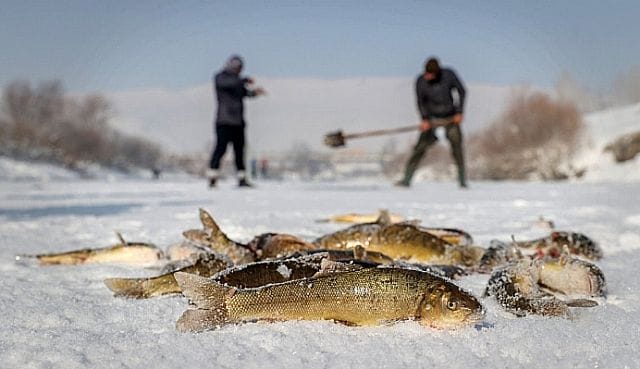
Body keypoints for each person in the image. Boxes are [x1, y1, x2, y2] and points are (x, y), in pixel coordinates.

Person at [396, 57, 468, 188]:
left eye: (431, 74)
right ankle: (406, 179)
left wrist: (459, 112)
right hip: (431, 118)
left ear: (437, 73)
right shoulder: (420, 81)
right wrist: (424, 119)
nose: (427, 76)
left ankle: (463, 181)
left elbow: (462, 91)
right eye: (426, 74)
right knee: (419, 148)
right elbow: (420, 101)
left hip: (450, 117)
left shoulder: (448, 75)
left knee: (457, 146)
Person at [207, 55, 265, 188]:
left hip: (238, 122)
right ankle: (212, 176)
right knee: (220, 149)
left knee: (240, 151)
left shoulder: (238, 82)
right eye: (238, 68)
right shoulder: (221, 77)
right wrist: (243, 80)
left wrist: (255, 93)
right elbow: (230, 83)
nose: (239, 70)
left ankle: (242, 178)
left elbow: (245, 93)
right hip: (224, 121)